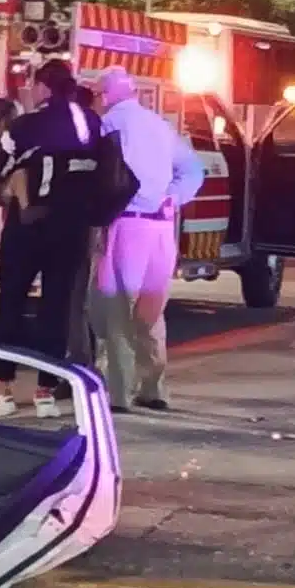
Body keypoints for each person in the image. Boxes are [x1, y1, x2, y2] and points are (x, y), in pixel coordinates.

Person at [87, 66, 208, 410]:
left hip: (127, 226)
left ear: (106, 95)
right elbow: (193, 170)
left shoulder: (110, 125)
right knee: (151, 312)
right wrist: (172, 197)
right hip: (162, 228)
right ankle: (153, 388)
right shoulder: (160, 125)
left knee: (117, 310)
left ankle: (119, 394)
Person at [0, 58, 110, 364]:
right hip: (73, 227)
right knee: (56, 305)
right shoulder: (91, 123)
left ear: (43, 87)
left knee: (12, 301)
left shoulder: (29, 123)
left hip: (30, 224)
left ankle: (2, 384)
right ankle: (48, 385)